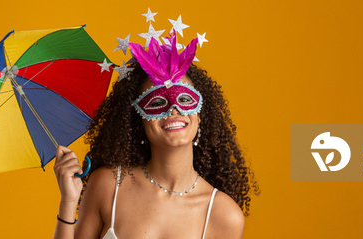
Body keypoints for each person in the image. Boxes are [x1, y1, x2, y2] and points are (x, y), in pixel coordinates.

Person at [53, 32, 260, 239]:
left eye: (185, 99)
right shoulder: (107, 186)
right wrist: (69, 202)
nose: (173, 109)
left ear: (200, 115)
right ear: (137, 121)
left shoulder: (224, 215)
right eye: (158, 102)